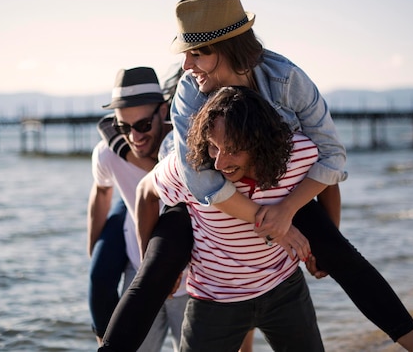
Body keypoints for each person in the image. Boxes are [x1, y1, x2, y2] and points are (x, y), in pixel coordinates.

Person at [100, 0, 413, 352]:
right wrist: (272, 220)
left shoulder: (286, 79)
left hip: (273, 180)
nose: (186, 66)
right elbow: (201, 180)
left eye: (197, 53)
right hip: (196, 193)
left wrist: (287, 213)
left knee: (339, 253)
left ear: (228, 49)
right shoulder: (189, 94)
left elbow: (331, 159)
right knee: (156, 271)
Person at [137, 86, 325, 351]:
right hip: (214, 299)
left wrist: (325, 245)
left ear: (261, 143)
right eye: (214, 147)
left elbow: (328, 174)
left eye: (233, 150)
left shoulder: (297, 155)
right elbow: (144, 193)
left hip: (284, 289)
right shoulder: (190, 171)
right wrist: (153, 265)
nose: (219, 163)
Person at [87, 66, 189, 351]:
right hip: (139, 271)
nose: (134, 137)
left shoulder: (188, 150)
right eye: (122, 127)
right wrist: (93, 249)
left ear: (163, 111)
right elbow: (101, 190)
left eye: (143, 125)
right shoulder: (109, 154)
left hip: (196, 281)